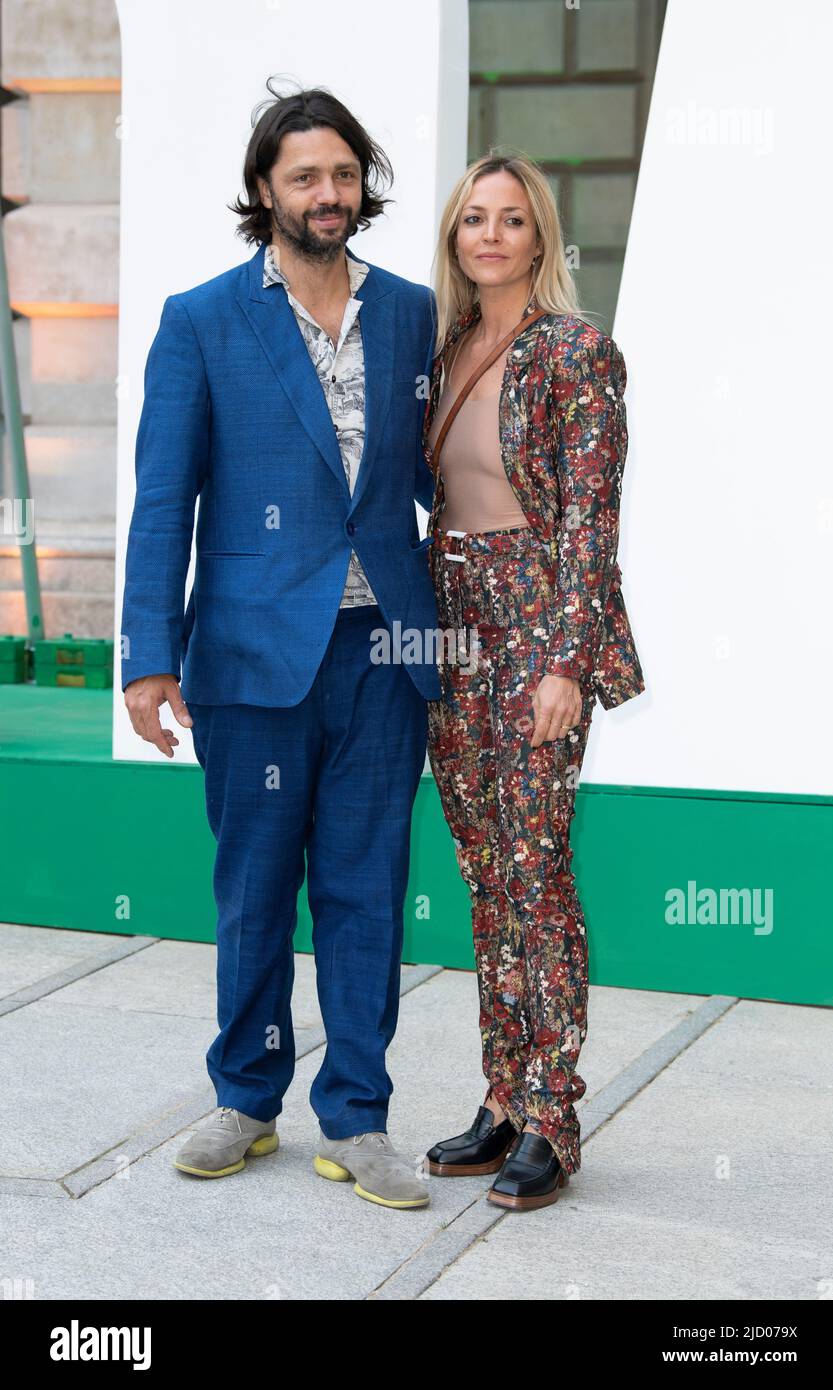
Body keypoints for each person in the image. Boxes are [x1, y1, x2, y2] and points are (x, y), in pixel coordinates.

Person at [121, 83, 442, 1210]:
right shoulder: (203, 318)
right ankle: (247, 1096)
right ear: (265, 189)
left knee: (367, 885)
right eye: (304, 176)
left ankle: (357, 1115)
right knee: (256, 886)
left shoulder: (409, 311)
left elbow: (434, 479)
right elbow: (166, 499)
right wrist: (147, 657)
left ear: (365, 186)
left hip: (382, 651)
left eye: (344, 174)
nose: (327, 194)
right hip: (252, 654)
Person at [421, 152, 645, 1211]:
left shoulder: (575, 352)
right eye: (475, 218)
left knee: (537, 869)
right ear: (455, 236)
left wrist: (567, 661)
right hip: (450, 627)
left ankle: (554, 1115)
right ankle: (503, 1096)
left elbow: (589, 520)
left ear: (540, 236)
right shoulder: (445, 345)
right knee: (482, 874)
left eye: (513, 219)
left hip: (536, 618)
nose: (492, 235)